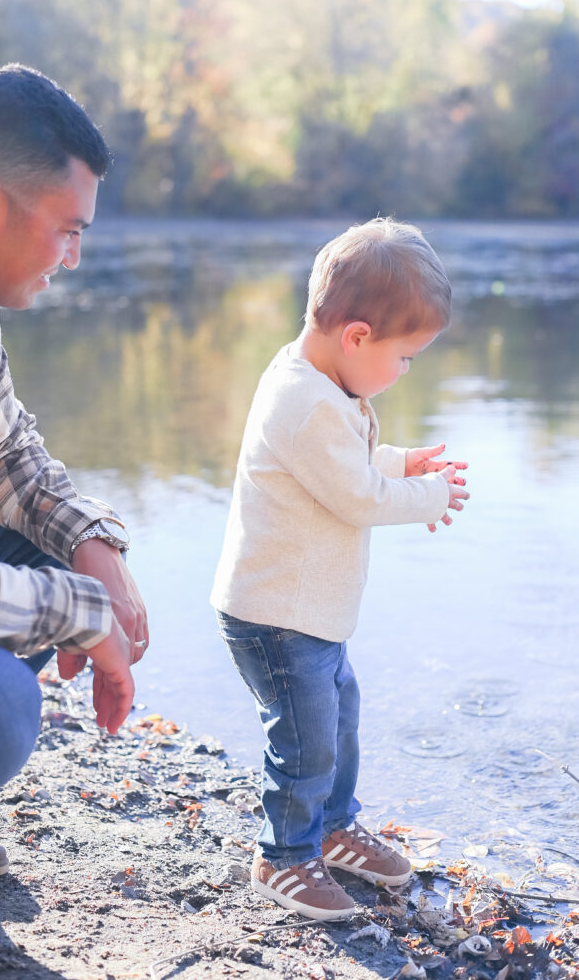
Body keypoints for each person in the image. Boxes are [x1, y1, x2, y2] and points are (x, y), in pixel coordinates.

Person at [211, 217, 469, 920]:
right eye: (405, 356)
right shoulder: (303, 400)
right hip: (276, 613)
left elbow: (338, 467)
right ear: (356, 336)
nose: (404, 371)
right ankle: (283, 855)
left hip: (307, 613)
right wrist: (429, 495)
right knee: (303, 739)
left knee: (337, 718)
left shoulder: (318, 384)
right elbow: (353, 494)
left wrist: (401, 462)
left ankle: (331, 824)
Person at [0, 65, 149, 881]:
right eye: (67, 230)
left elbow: (3, 456)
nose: (71, 259)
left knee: (47, 556)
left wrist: (93, 550)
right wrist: (77, 611)